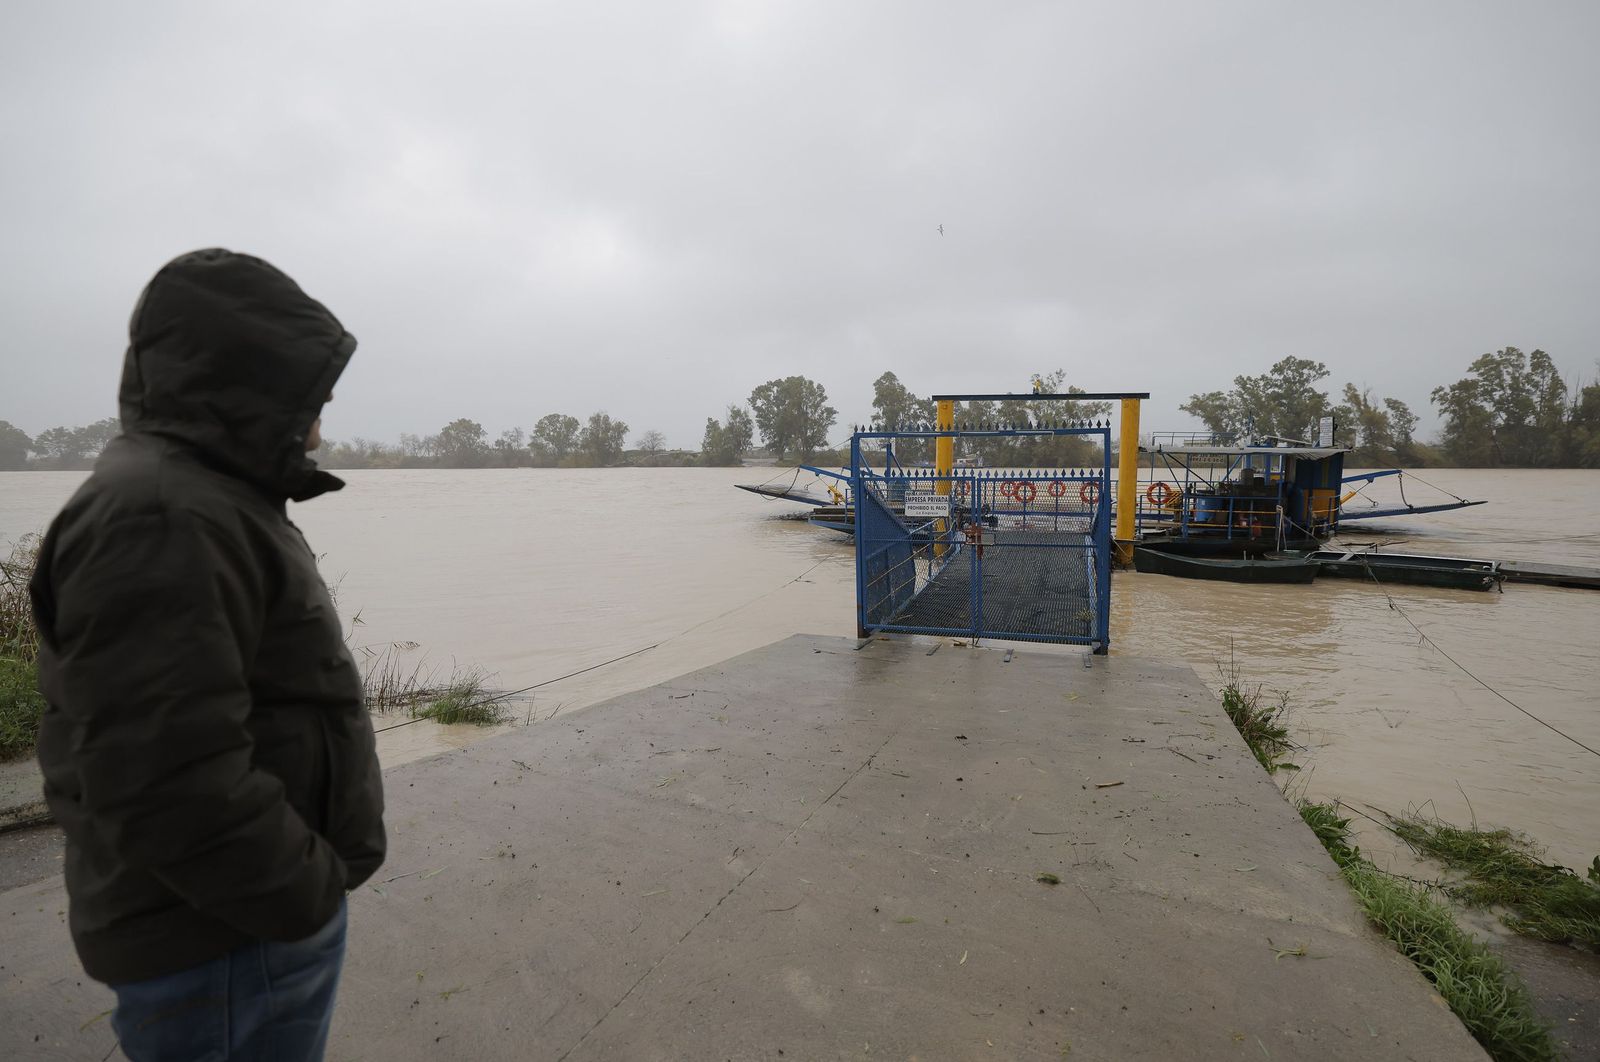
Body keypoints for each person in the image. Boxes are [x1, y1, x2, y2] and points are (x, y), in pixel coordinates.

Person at [29, 249, 386, 1061]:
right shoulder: (161, 514)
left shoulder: (202, 496)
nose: (321, 417)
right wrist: (304, 893)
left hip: (228, 926)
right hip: (222, 937)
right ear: (247, 383)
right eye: (310, 395)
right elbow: (164, 776)